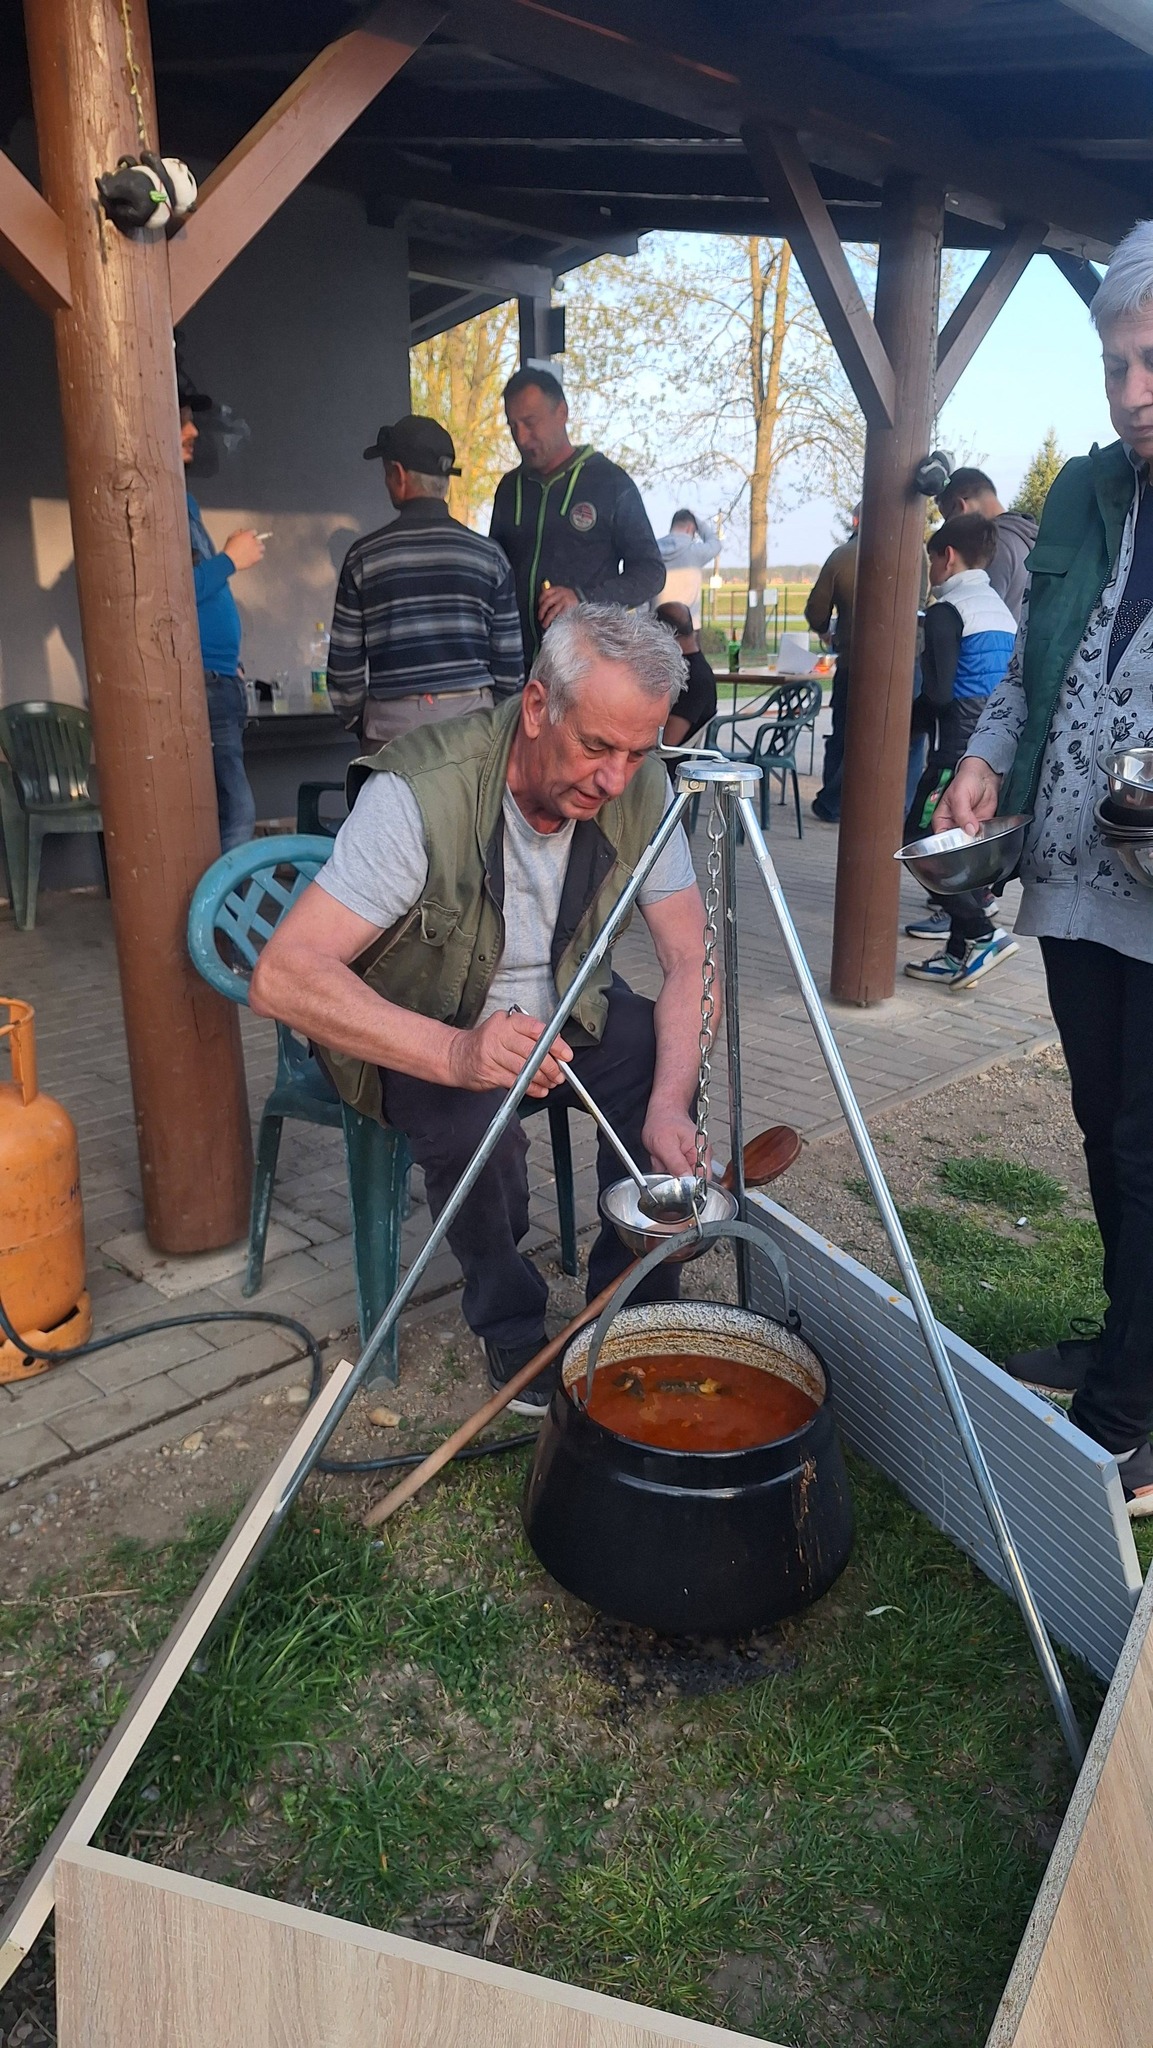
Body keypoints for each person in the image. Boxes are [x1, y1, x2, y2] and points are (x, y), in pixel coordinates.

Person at [249, 604, 705, 1415]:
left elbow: (688, 958)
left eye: (638, 752)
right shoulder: (422, 792)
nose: (614, 779)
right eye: (595, 746)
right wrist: (457, 1055)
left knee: (650, 1056)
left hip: (564, 1012)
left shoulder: (639, 787)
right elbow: (283, 976)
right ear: (536, 707)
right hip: (424, 1023)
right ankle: (509, 1320)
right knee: (473, 1127)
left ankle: (630, 1312)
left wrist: (670, 1103)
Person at [933, 218, 1153, 1514]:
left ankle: (1129, 1414)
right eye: (1117, 362)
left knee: (1146, 1143)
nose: (1134, 390)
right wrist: (981, 761)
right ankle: (1129, 1334)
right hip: (1078, 874)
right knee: (1100, 1128)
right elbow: (1029, 667)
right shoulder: (1084, 493)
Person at [327, 415, 523, 745]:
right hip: (473, 729)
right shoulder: (489, 558)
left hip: (391, 729)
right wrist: (494, 721)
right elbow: (510, 666)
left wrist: (362, 721)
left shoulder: (365, 557)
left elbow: (344, 670)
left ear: (398, 474)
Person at [903, 515, 1019, 989]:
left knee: (919, 840)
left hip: (956, 750)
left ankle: (983, 931)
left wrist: (898, 723)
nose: (930, 568)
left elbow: (939, 694)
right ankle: (957, 952)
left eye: (931, 558)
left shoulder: (948, 611)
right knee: (962, 847)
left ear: (945, 555)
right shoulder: (998, 607)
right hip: (996, 751)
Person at [490, 369, 664, 665]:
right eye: (512, 426)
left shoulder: (610, 483)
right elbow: (494, 569)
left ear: (562, 412)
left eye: (530, 423)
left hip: (585, 668)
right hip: (513, 671)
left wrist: (583, 600)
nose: (521, 437)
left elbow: (651, 572)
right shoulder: (509, 488)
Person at [181, 400, 262, 852]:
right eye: (181, 421)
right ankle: (223, 921)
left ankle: (221, 918)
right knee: (237, 809)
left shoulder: (184, 503)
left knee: (226, 808)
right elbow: (170, 592)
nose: (193, 431)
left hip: (221, 676)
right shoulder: (161, 503)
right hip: (206, 682)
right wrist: (231, 560)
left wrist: (232, 662)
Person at [805, 511, 858, 823]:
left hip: (854, 661)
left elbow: (816, 611)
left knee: (844, 733)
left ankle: (833, 803)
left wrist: (827, 629)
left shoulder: (842, 557)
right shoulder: (917, 553)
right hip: (906, 665)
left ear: (855, 520)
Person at [935, 467, 1038, 622]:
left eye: (947, 518)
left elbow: (979, 619)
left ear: (961, 506)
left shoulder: (991, 545)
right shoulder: (1026, 537)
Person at [655, 601, 718, 746]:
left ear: (664, 633)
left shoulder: (695, 679)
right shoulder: (694, 669)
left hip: (666, 762)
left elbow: (669, 740)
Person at [658, 509, 720, 621]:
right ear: (690, 528)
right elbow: (715, 543)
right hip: (689, 623)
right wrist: (697, 521)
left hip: (657, 624)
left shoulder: (654, 550)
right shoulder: (695, 551)